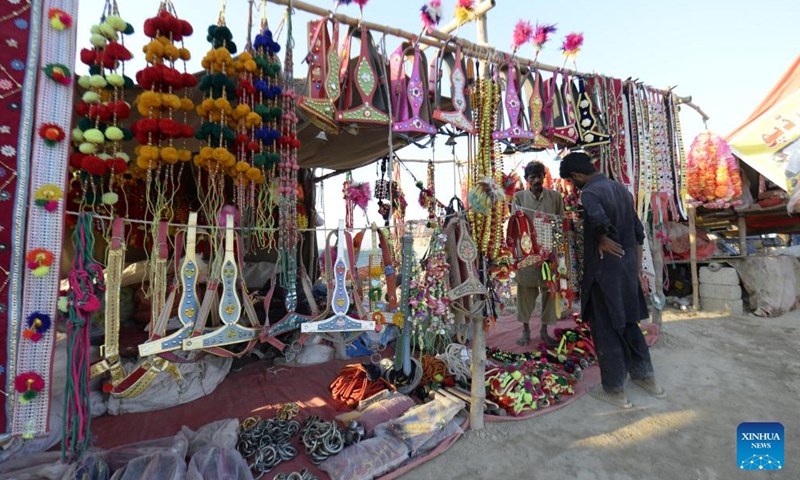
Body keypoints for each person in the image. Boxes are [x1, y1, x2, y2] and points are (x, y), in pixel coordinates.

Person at [559, 152, 665, 408]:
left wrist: (602, 237)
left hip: (605, 270)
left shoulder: (590, 194)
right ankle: (647, 377)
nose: (574, 187)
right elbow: (639, 232)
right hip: (627, 268)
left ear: (576, 176)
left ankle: (615, 390)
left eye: (572, 182)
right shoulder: (621, 190)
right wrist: (637, 268)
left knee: (605, 328)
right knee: (630, 323)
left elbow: (597, 218)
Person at [512, 161, 564, 346]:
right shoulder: (518, 198)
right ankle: (525, 330)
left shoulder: (556, 197)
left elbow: (560, 224)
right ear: (527, 180)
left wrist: (556, 252)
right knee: (525, 291)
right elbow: (516, 226)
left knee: (550, 292)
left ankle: (544, 330)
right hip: (527, 254)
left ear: (544, 177)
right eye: (532, 177)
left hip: (550, 254)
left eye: (539, 176)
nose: (536, 180)